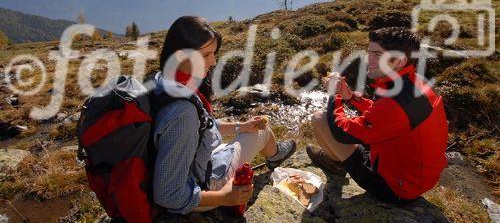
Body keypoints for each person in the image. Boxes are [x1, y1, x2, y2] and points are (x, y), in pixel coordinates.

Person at [152, 16, 296, 215]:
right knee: (262, 133)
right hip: (202, 190)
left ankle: (273, 153)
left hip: (197, 165)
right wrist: (226, 197)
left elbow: (203, 126)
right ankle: (275, 155)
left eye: (214, 53)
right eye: (206, 55)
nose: (213, 61)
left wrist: (240, 125)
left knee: (251, 130)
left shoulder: (166, 81)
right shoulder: (182, 113)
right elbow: (168, 194)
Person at [307, 27, 448, 204]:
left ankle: (336, 165)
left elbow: (341, 133)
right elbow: (382, 114)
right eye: (369, 52)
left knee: (320, 118)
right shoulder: (413, 83)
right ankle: (339, 161)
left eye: (377, 54)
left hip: (396, 189)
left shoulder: (394, 102)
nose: (369, 59)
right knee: (333, 121)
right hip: (413, 176)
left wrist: (333, 94)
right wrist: (350, 97)